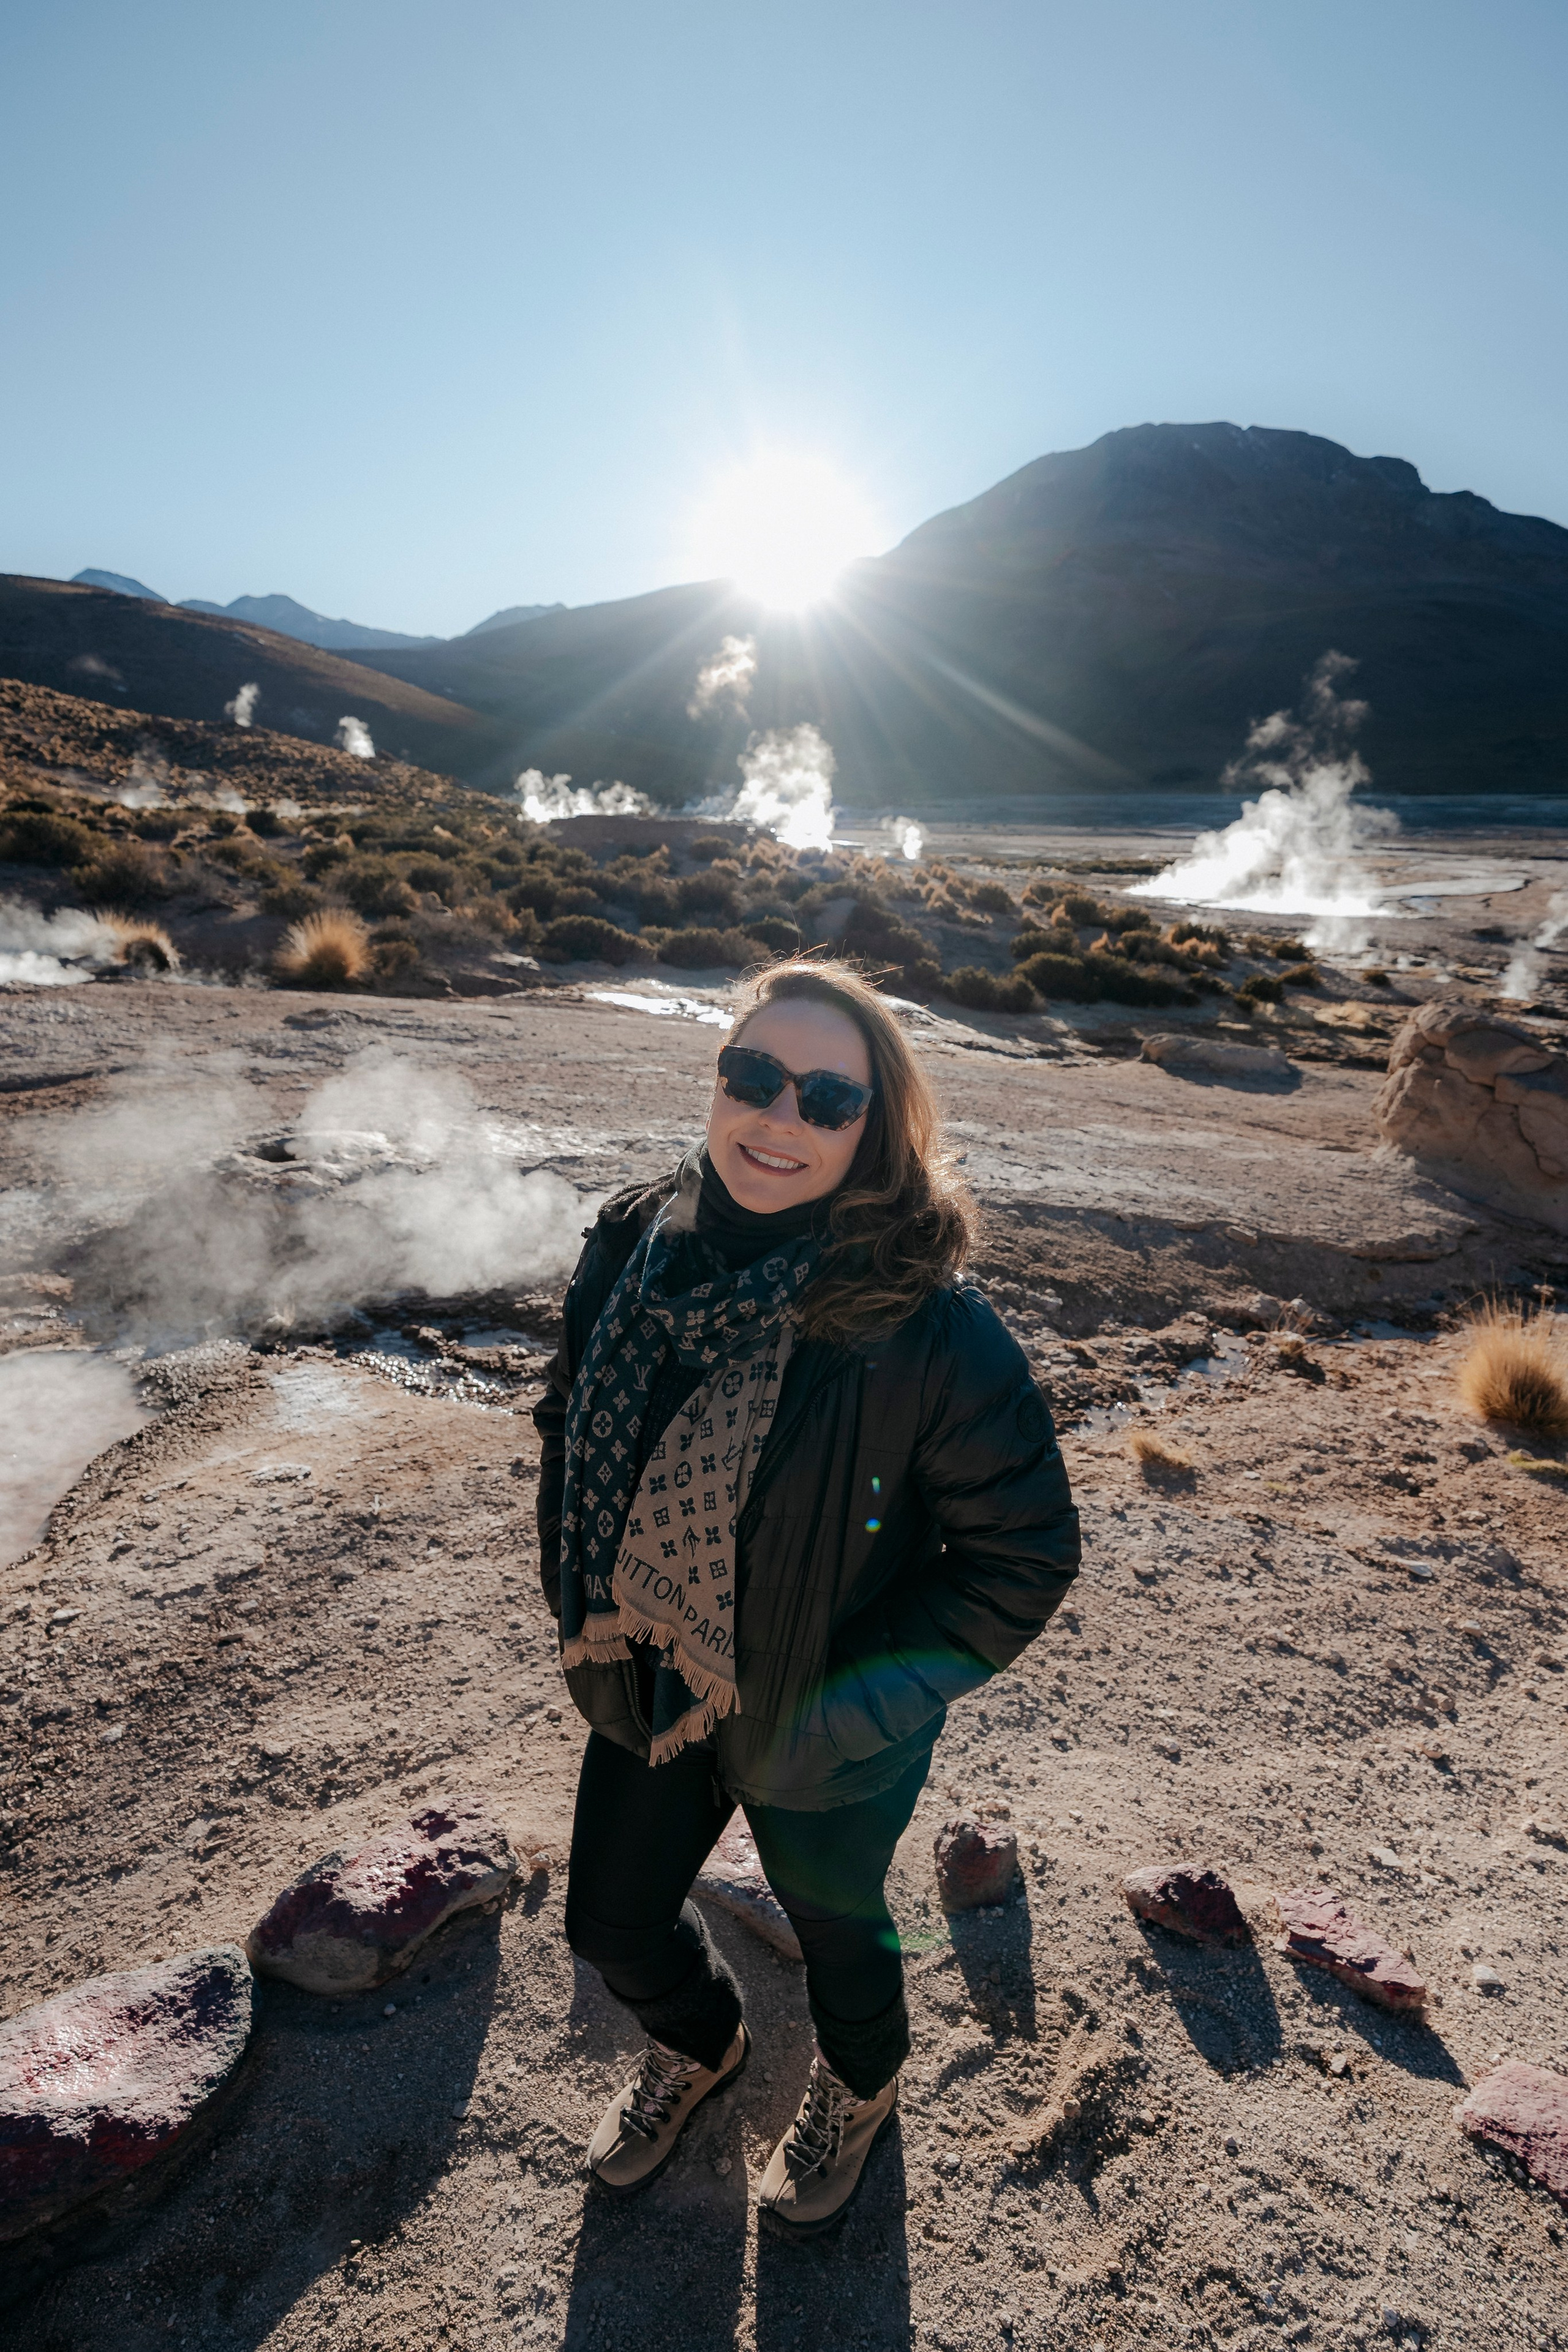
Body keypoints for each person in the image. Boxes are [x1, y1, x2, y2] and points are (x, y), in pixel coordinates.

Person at [535, 957, 1079, 2235]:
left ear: (872, 1127)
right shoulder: (631, 1242)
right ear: (716, 1078)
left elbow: (1024, 1557)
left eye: (825, 1098)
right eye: (751, 1075)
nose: (777, 1118)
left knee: (843, 1940)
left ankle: (858, 2087)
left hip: (823, 1728)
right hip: (650, 1677)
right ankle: (700, 2042)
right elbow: (567, 1423)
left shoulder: (930, 1328)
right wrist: (576, 1595)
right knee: (611, 1921)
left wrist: (843, 1711)